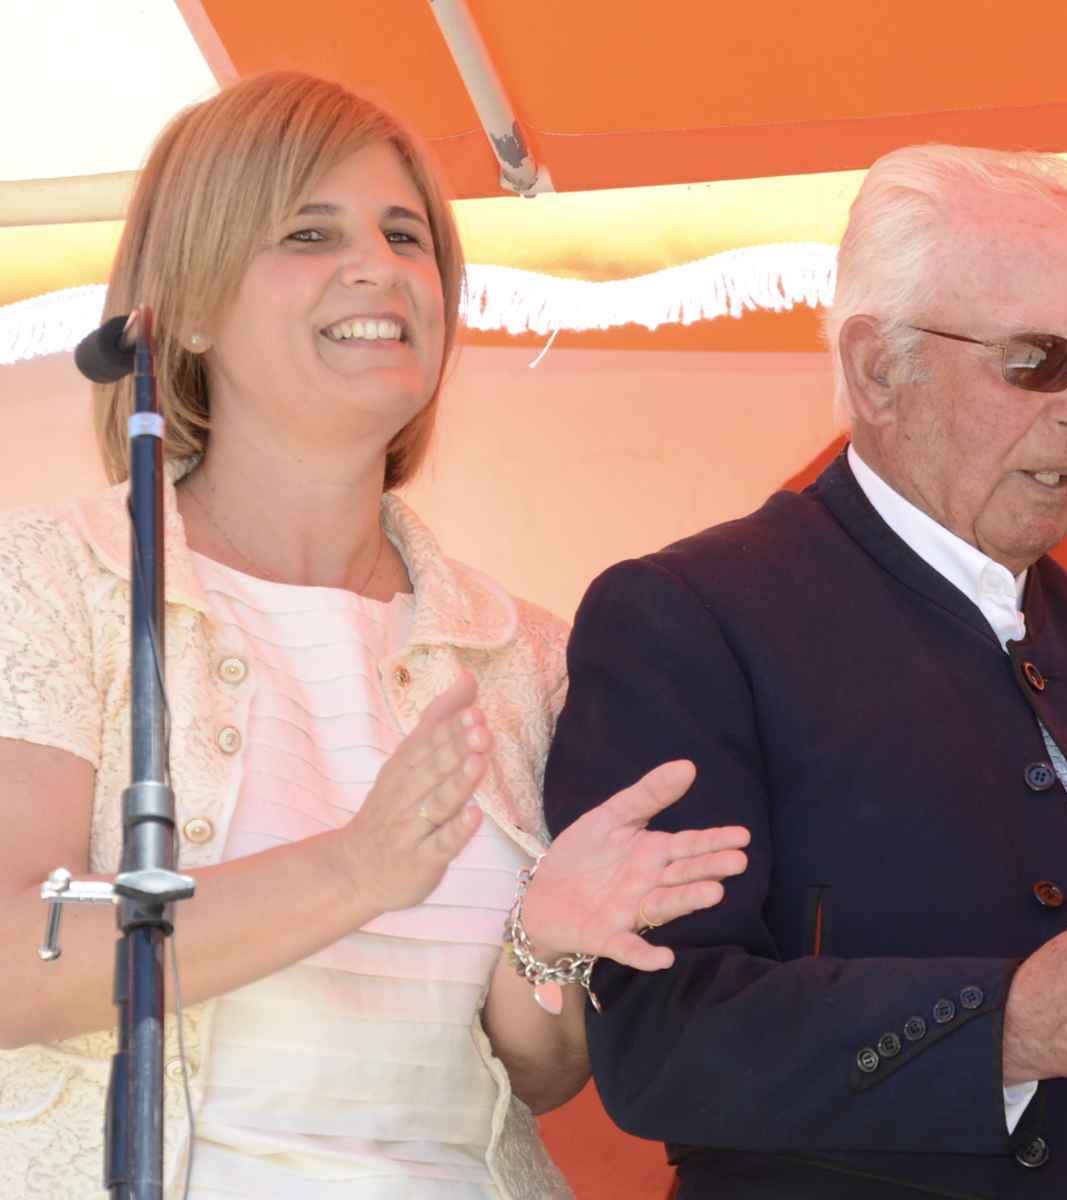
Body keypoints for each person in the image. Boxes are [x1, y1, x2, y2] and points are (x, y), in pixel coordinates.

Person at [541, 145, 1067, 1198]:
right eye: (1036, 361)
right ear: (877, 370)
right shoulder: (693, 621)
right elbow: (663, 1038)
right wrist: (1009, 1028)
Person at [0, 72, 750, 1198]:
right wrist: (352, 871)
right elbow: (12, 956)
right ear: (184, 310)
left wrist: (548, 941)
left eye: (408, 237)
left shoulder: (524, 654)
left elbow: (535, 1076)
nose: (381, 267)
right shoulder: (56, 579)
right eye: (310, 231)